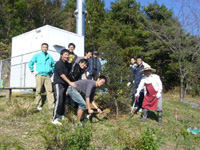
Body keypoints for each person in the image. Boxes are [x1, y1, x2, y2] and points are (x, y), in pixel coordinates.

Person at [52, 49, 76, 125]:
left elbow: (69, 74)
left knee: (63, 101)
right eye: (65, 54)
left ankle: (61, 115)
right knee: (58, 100)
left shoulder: (67, 64)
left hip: (65, 85)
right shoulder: (59, 64)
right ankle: (54, 118)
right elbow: (62, 75)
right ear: (61, 55)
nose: (67, 56)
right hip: (58, 84)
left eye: (68, 55)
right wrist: (70, 82)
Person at [28, 43, 55, 111]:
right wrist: (32, 70)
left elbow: (53, 65)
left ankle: (51, 104)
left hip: (47, 75)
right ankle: (38, 104)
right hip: (39, 75)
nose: (45, 48)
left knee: (50, 90)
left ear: (47, 48)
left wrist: (51, 71)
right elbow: (31, 62)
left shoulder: (50, 57)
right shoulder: (37, 55)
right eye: (43, 47)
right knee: (38, 90)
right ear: (41, 48)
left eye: (46, 47)